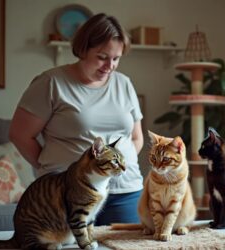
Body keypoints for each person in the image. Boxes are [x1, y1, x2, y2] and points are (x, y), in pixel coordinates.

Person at [9, 13, 144, 225]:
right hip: (69, 194)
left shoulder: (124, 83)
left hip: (125, 192)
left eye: (116, 58)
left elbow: (136, 138)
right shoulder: (51, 82)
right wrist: (50, 169)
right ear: (82, 49)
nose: (110, 65)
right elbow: (20, 134)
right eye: (102, 56)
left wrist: (111, 167)